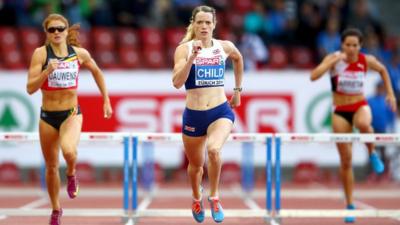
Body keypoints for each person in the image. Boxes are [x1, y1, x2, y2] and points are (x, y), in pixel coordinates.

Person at [26, 14, 112, 225]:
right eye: (52, 29)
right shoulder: (40, 54)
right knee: (52, 167)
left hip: (71, 113)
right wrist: (47, 71)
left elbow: (97, 72)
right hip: (47, 116)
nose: (56, 32)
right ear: (46, 33)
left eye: (60, 28)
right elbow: (30, 88)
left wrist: (106, 100)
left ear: (66, 31)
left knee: (69, 151)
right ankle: (56, 209)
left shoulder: (79, 53)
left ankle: (72, 173)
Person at [310, 28, 397, 223]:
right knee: (346, 161)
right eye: (347, 45)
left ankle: (372, 152)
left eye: (354, 45)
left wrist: (390, 93)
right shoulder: (335, 58)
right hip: (340, 110)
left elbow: (383, 70)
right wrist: (331, 62)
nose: (350, 49)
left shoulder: (365, 60)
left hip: (359, 105)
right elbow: (313, 76)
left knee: (364, 123)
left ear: (360, 46)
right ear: (342, 45)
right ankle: (350, 205)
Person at [172, 5, 243, 223]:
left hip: (220, 110)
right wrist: (192, 59)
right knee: (195, 167)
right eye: (200, 22)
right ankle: (196, 197)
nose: (204, 26)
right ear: (193, 24)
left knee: (213, 150)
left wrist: (237, 90)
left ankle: (214, 196)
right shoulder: (184, 49)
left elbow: (238, 59)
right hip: (194, 115)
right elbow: (176, 83)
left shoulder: (224, 46)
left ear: (214, 25)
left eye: (208, 22)